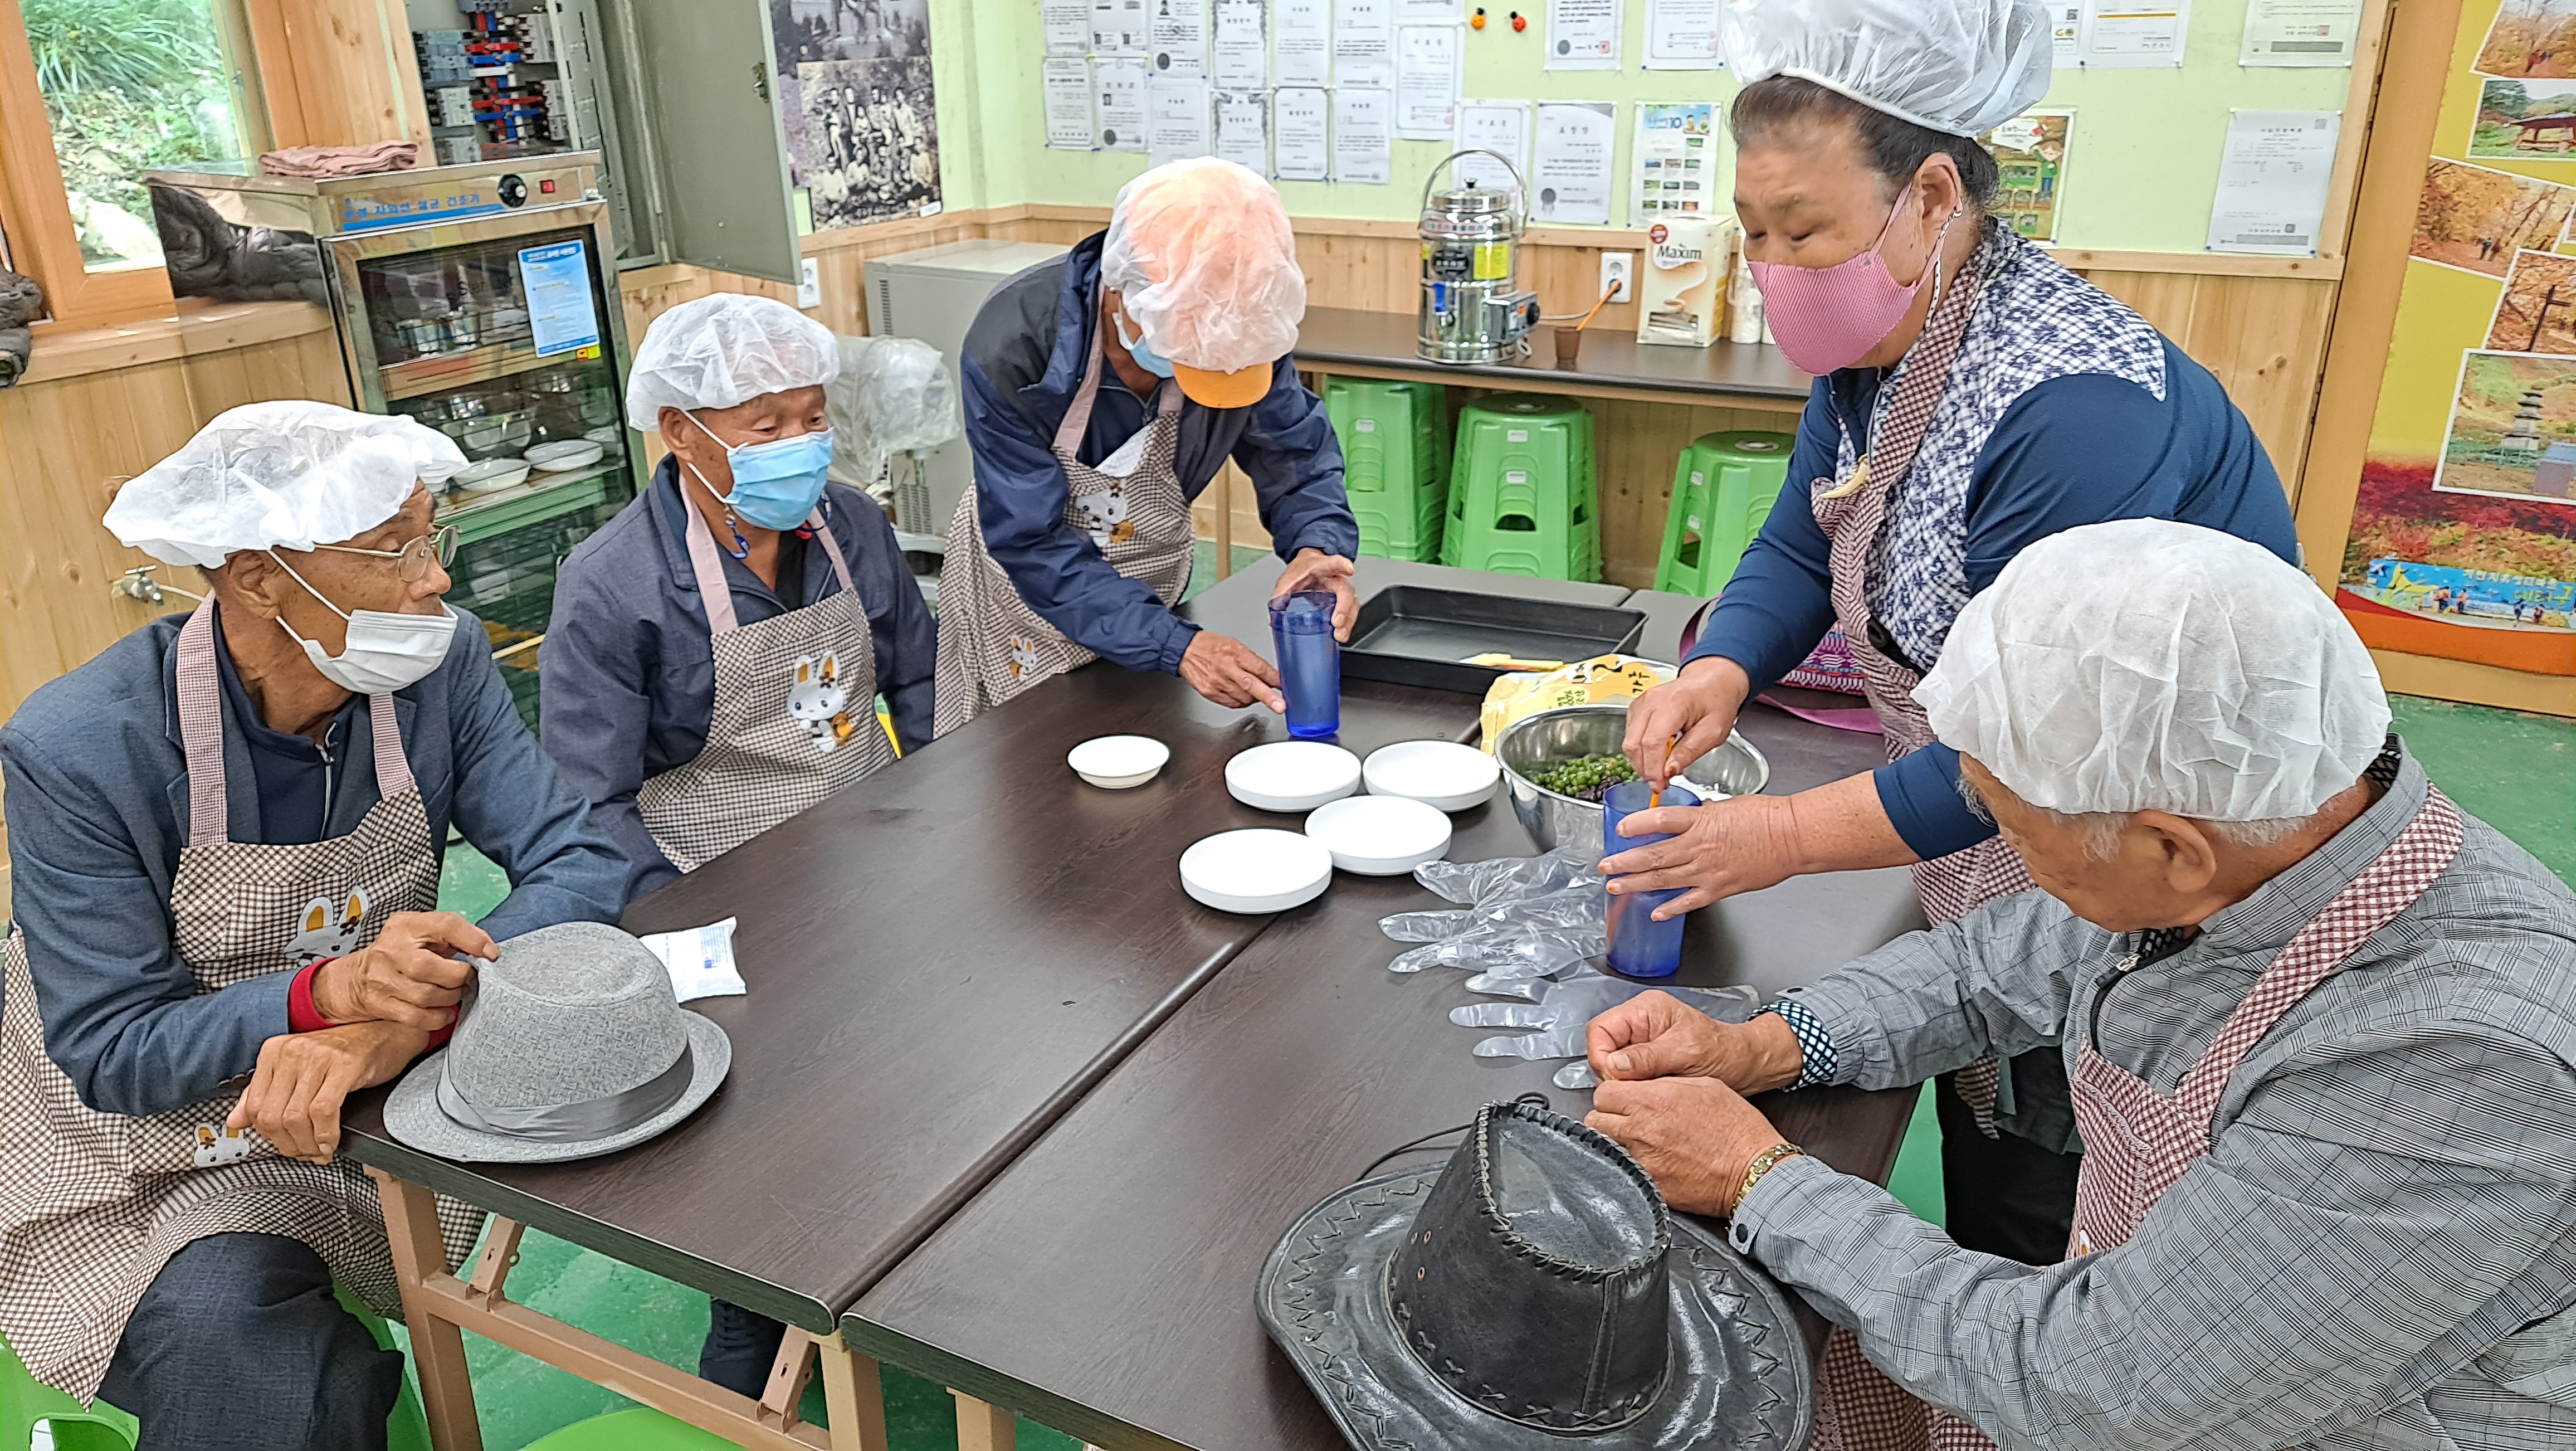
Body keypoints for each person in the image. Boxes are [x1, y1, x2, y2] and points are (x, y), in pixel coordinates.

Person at [1585, 520, 2576, 1451]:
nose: (2008, 855)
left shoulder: (2449, 1061)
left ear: (2171, 849)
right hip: (2151, 1342)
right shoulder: (2267, 828)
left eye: (2016, 833)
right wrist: (1765, 1042)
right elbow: (1995, 960)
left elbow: (2095, 1385)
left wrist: (1762, 1177)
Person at [1608, 0, 2296, 1276]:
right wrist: (1717, 664)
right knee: (1974, 1042)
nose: (1774, 269)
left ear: (1930, 195)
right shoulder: (1880, 344)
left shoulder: (2068, 411)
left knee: (2067, 1177)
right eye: (1752, 234)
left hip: (2153, 839)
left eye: (1803, 230)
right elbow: (1804, 541)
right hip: (2009, 814)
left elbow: (2029, 750)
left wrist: (1776, 837)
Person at [0, 402, 628, 1450]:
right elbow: (112, 1051)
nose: (435, 579)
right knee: (242, 1340)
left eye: (437, 535)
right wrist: (325, 991)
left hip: (349, 1103)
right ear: (256, 576)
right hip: (124, 1147)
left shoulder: (438, 662)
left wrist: (399, 1027)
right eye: (393, 552)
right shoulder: (80, 746)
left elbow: (582, 860)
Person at [937, 157, 1360, 734]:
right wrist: (1176, 645)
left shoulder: (1249, 318)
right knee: (1037, 756)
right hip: (1030, 584)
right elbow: (1032, 540)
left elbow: (1292, 450)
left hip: (1152, 573)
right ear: (1121, 296)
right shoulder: (1013, 344)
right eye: (1190, 358)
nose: (1208, 371)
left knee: (1147, 733)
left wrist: (1317, 546)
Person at [541, 293, 934, 907]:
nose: (800, 444)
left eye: (813, 419)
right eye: (768, 427)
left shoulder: (853, 522)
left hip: (875, 833)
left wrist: (940, 807)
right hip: (719, 871)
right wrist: (678, 914)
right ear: (680, 431)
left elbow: (919, 679)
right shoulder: (612, 583)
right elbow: (593, 800)